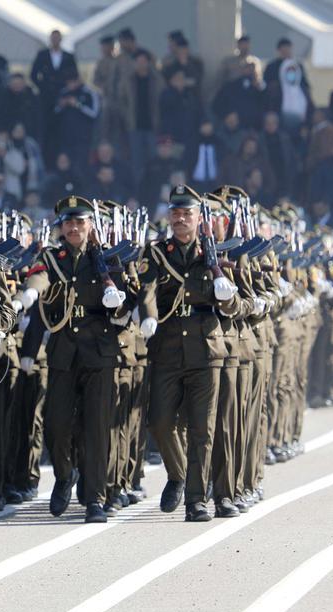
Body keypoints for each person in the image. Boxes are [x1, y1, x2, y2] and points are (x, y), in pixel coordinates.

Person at [21, 195, 133, 523]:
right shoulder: (51, 258)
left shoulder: (107, 258)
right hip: (63, 352)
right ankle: (64, 474)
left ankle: (95, 498)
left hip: (99, 351)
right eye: (68, 222)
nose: (74, 228)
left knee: (97, 427)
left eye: (80, 222)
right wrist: (29, 349)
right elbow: (41, 295)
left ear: (90, 225)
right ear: (61, 227)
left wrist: (118, 306)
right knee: (56, 425)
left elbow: (126, 304)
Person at [136, 184, 241, 522]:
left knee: (202, 429)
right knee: (160, 422)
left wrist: (225, 293)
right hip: (166, 346)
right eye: (175, 213)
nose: (180, 219)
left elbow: (233, 305)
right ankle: (178, 473)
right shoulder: (156, 253)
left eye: (187, 213)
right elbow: (148, 289)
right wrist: (148, 316)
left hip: (205, 349)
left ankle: (196, 501)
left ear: (198, 218)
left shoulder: (214, 252)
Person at [30, 30, 78, 164]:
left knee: (62, 130)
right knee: (45, 130)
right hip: (46, 99)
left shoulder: (68, 57)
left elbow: (74, 76)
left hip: (62, 97)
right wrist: (43, 87)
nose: (55, 40)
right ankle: (46, 160)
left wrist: (66, 90)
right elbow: (33, 74)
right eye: (53, 38)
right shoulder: (42, 55)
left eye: (58, 38)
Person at [118, 49, 162, 174]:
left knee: (153, 158)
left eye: (143, 61)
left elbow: (162, 99)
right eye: (138, 61)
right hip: (134, 126)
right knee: (137, 160)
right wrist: (127, 115)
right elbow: (121, 100)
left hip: (152, 125)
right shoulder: (127, 80)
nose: (141, 64)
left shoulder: (156, 80)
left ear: (148, 62)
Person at [263, 37, 313, 134]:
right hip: (278, 106)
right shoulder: (272, 67)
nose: (286, 51)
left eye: (288, 49)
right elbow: (267, 86)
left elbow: (304, 85)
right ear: (279, 51)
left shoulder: (298, 66)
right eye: (283, 49)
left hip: (298, 108)